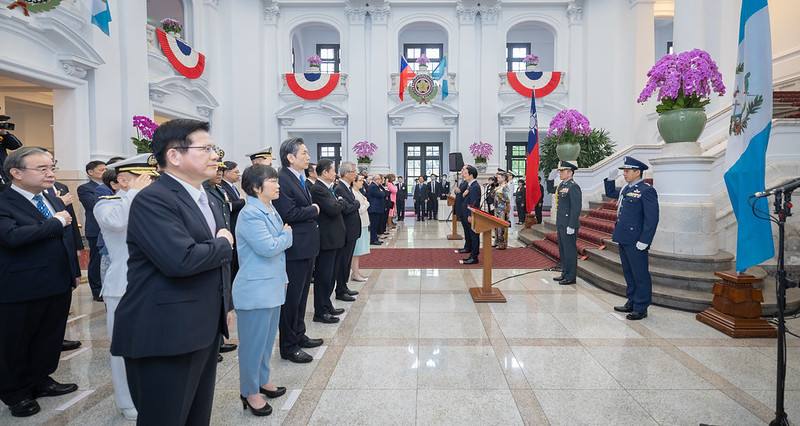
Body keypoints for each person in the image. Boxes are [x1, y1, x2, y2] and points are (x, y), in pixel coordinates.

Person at [110, 119, 234, 425]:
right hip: (165, 333)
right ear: (174, 156)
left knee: (195, 416)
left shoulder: (206, 198)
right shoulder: (154, 199)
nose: (214, 155)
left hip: (201, 327)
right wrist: (222, 243)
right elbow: (180, 259)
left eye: (213, 148)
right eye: (205, 148)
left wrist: (225, 305)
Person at [0, 147, 80, 418]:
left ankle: (40, 379)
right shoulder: (4, 202)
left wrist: (73, 271)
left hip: (57, 282)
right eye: (42, 169)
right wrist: (55, 223)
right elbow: (12, 237)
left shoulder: (50, 197)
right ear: (16, 173)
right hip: (21, 287)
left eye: (52, 167)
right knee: (16, 341)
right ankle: (15, 392)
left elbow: (66, 238)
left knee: (49, 337)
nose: (50, 173)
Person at [94, 153, 158, 421]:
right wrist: (134, 193)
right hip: (123, 286)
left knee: (154, 346)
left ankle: (152, 394)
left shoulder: (154, 204)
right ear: (122, 180)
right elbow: (118, 223)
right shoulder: (106, 205)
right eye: (146, 179)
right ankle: (126, 400)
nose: (153, 184)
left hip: (155, 286)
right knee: (124, 348)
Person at [234, 164, 291, 416]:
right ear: (256, 187)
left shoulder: (269, 208)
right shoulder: (250, 214)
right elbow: (268, 247)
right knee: (252, 345)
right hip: (255, 289)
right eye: (272, 181)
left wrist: (282, 237)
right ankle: (249, 391)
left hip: (272, 285)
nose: (278, 185)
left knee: (267, 341)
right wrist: (287, 235)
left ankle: (263, 379)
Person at [272, 137, 323, 364]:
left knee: (302, 296)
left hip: (306, 246)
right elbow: (289, 213)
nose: (308, 157)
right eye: (304, 153)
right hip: (295, 248)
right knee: (292, 299)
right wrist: (313, 209)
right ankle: (288, 345)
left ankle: (299, 334)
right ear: (290, 157)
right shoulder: (283, 179)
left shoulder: (299, 178)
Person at [606, 156, 659, 320]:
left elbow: (652, 218)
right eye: (624, 171)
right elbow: (610, 193)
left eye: (628, 171)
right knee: (629, 272)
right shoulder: (626, 189)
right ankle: (632, 300)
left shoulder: (646, 190)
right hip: (624, 236)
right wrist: (609, 180)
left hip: (637, 240)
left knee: (640, 274)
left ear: (638, 172)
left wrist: (645, 240)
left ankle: (641, 306)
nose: (625, 174)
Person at [203, 160, 239, 357]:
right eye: (216, 169)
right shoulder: (205, 191)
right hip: (214, 247)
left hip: (224, 245)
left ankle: (218, 339)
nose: (219, 172)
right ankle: (213, 344)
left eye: (221, 170)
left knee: (223, 289)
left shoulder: (215, 189)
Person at [309, 159, 346, 324]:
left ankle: (327, 304)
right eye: (333, 170)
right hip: (327, 240)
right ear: (324, 172)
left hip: (335, 239)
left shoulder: (327, 188)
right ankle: (320, 311)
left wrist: (339, 203)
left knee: (330, 276)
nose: (335, 173)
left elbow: (337, 205)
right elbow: (333, 209)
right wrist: (340, 203)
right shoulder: (318, 189)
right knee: (324, 276)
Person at [78, 160, 108, 301]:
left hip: (109, 229)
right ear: (91, 172)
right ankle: (97, 290)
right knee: (96, 261)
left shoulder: (111, 186)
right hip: (96, 230)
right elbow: (93, 205)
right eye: (102, 170)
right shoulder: (85, 188)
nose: (105, 172)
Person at [334, 161, 361, 301]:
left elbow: (351, 205)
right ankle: (340, 290)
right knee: (343, 261)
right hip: (346, 231)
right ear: (346, 173)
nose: (355, 174)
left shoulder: (348, 188)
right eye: (353, 172)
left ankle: (344, 287)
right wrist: (356, 203)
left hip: (352, 230)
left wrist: (354, 204)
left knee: (347, 260)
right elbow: (347, 209)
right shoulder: (339, 189)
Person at [553, 161, 581, 286]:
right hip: (561, 222)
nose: (560, 173)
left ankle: (571, 276)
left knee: (569, 250)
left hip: (569, 223)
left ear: (570, 172)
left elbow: (576, 208)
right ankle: (564, 272)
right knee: (563, 250)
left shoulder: (573, 186)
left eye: (562, 171)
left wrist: (572, 225)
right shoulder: (562, 185)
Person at [220, 160, 245, 279]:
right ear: (226, 173)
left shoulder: (232, 187)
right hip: (230, 226)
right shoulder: (222, 187)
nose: (238, 174)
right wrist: (242, 202)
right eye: (236, 172)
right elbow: (228, 206)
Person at [350, 174, 371, 281]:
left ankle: (356, 271)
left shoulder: (359, 192)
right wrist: (367, 204)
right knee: (356, 251)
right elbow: (358, 210)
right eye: (360, 180)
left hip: (364, 223)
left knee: (359, 251)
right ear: (354, 181)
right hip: (359, 224)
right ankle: (355, 273)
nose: (362, 182)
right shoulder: (353, 193)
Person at [459, 165, 481, 265]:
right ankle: (472, 254)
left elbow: (474, 203)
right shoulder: (470, 185)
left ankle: (474, 257)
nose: (464, 175)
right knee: (470, 234)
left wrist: (470, 215)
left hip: (471, 215)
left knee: (473, 235)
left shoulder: (475, 186)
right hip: (466, 213)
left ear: (471, 175)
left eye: (466, 173)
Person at [493, 171, 512, 250]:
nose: (497, 179)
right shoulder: (499, 186)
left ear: (504, 178)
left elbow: (507, 198)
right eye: (497, 177)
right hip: (497, 208)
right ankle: (497, 241)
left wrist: (499, 195)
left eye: (499, 177)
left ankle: (502, 243)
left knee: (501, 226)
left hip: (502, 209)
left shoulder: (505, 186)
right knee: (496, 225)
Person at [367, 174, 385, 245]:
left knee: (376, 225)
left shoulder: (377, 186)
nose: (380, 181)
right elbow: (382, 194)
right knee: (374, 226)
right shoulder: (373, 186)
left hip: (377, 208)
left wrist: (382, 191)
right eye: (379, 179)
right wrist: (382, 192)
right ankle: (373, 240)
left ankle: (375, 238)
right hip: (374, 209)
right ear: (376, 179)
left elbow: (384, 192)